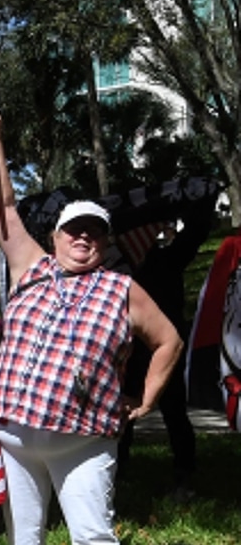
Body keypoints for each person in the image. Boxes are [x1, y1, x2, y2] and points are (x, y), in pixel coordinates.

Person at [0, 104, 182, 545]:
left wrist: (147, 397)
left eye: (95, 232)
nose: (84, 239)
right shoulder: (30, 267)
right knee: (24, 526)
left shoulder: (122, 288)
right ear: (57, 235)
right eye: (75, 229)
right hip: (16, 432)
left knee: (92, 530)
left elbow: (168, 340)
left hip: (84, 439)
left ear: (106, 240)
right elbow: (1, 204)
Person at [118, 200, 214, 499]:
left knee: (173, 410)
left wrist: (185, 202)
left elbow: (197, 230)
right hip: (131, 348)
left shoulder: (167, 258)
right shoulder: (118, 268)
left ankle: (183, 475)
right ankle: (119, 473)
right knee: (125, 409)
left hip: (165, 346)